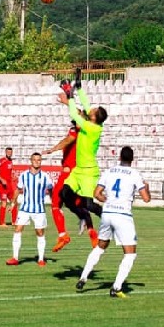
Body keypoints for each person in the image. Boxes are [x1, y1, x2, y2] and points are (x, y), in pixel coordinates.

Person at [75, 146, 151, 298]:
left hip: (107, 213)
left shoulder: (109, 171)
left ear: (119, 158)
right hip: (123, 216)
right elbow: (146, 199)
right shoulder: (135, 174)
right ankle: (116, 287)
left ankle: (83, 277)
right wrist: (146, 187)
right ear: (132, 159)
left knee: (100, 246)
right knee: (130, 254)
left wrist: (108, 201)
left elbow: (97, 193)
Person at [58, 80, 108, 248]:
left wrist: (70, 96)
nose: (90, 110)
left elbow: (74, 114)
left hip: (88, 172)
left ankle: (108, 216)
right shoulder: (94, 123)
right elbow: (86, 107)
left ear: (94, 118)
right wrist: (79, 88)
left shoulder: (92, 128)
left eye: (92, 111)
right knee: (65, 195)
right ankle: (82, 218)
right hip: (79, 170)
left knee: (88, 204)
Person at [6, 153, 54, 267]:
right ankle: (15, 258)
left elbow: (51, 190)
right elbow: (18, 189)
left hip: (39, 209)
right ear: (31, 161)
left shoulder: (45, 176)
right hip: (25, 208)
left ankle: (41, 259)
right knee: (17, 229)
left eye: (39, 160)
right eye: (35, 160)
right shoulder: (24, 175)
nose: (37, 162)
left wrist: (54, 204)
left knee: (40, 232)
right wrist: (13, 203)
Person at [41, 121, 78, 252]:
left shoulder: (77, 131)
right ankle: (83, 221)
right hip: (75, 172)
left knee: (55, 203)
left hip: (68, 172)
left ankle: (63, 235)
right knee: (72, 202)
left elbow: (69, 139)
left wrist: (53, 149)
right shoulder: (83, 132)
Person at [0, 147, 18, 228]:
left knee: (14, 202)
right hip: (3, 186)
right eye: (8, 152)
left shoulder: (11, 161)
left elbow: (9, 173)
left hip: (9, 185)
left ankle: (14, 221)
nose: (9, 153)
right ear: (5, 152)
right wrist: (2, 179)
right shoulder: (1, 160)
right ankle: (1, 223)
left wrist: (13, 177)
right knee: (4, 203)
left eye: (10, 152)